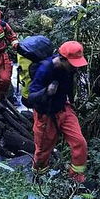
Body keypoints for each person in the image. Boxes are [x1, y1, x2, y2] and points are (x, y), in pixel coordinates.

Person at [28, 41, 88, 183]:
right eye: (73, 63)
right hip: (46, 115)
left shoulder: (69, 69)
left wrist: (72, 102)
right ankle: (39, 178)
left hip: (63, 108)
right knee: (42, 152)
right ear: (62, 59)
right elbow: (31, 97)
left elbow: (69, 86)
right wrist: (47, 91)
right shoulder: (44, 70)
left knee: (80, 142)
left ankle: (76, 178)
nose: (75, 67)